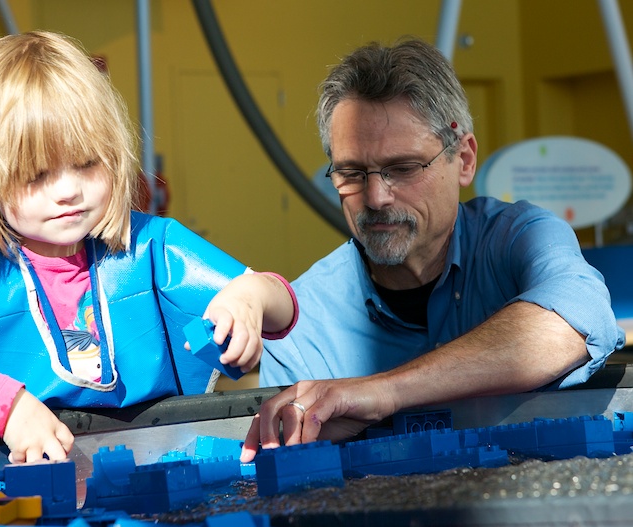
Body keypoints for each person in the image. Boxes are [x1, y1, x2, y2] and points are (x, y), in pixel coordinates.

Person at [0, 31, 297, 463]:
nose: (68, 191)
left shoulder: (148, 244)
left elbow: (284, 308)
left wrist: (250, 298)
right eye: (37, 173)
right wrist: (2, 405)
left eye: (87, 163)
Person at [240, 38, 624, 462]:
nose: (376, 197)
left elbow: (579, 318)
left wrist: (383, 391)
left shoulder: (518, 237)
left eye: (403, 168)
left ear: (463, 159)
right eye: (351, 173)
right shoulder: (302, 329)